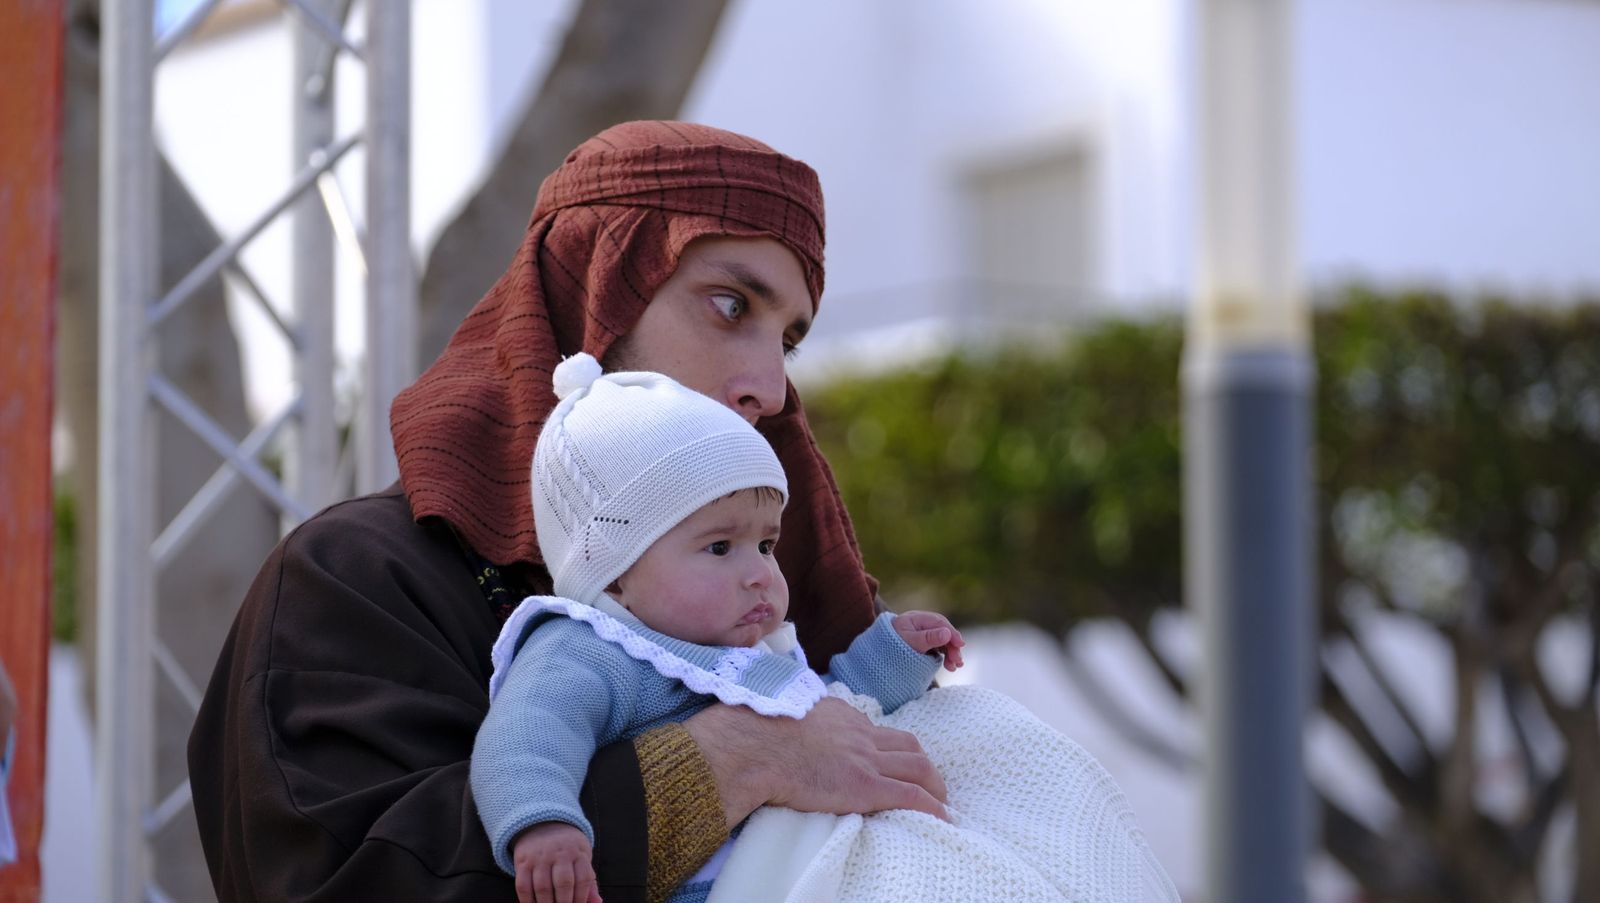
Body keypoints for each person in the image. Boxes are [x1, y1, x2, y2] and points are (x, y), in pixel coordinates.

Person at [189, 121, 951, 903]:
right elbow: (346, 884)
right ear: (592, 294)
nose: (769, 384)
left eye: (787, 340)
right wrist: (735, 761)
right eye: (730, 305)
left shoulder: (762, 593)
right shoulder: (351, 579)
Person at [471, 354, 966, 903]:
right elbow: (525, 736)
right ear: (613, 577)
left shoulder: (752, 646)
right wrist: (543, 825)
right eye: (720, 547)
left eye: (765, 545)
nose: (759, 574)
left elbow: (834, 710)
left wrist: (897, 653)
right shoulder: (586, 649)